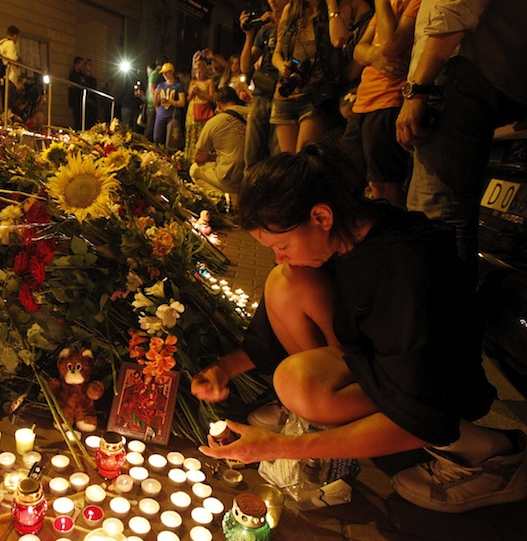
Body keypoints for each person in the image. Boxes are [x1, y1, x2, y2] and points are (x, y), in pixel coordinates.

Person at [191, 142, 527, 513]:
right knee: (285, 281)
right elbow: (273, 331)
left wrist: (278, 447)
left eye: (282, 244)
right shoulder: (346, 235)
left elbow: (423, 400)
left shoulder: (401, 267)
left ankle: (488, 455)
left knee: (297, 383)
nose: (278, 255)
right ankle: (328, 421)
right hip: (378, 363)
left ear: (321, 216)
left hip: (436, 390)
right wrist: (224, 368)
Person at [396, 0, 527, 276]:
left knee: (438, 217)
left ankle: (446, 300)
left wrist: (416, 90)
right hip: (477, 76)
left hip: (458, 74)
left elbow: (451, 12)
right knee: (437, 216)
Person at [338, 0, 420, 207]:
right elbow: (358, 50)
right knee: (344, 179)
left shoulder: (414, 3)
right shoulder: (388, 5)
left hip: (388, 101)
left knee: (384, 188)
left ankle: (392, 228)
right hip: (363, 103)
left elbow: (391, 44)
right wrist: (374, 55)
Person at [270, 0, 349, 153]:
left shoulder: (339, 7)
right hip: (287, 91)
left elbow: (339, 39)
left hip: (315, 95)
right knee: (289, 161)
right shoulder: (291, 10)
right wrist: (282, 66)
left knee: (305, 157)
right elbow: (277, 53)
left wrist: (331, 5)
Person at [239, 1, 288, 170]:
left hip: (284, 94)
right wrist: (249, 35)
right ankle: (251, 185)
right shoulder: (265, 30)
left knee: (278, 156)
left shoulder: (296, 23)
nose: (272, 1)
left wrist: (279, 23)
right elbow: (246, 66)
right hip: (262, 94)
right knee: (252, 155)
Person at [190, 87, 249, 210]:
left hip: (230, 178)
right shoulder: (254, 114)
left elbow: (198, 157)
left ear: (218, 104)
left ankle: (222, 200)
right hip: (254, 175)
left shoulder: (214, 121)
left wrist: (214, 157)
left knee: (194, 170)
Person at [185, 60, 216, 162]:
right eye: (196, 72)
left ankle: (203, 157)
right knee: (192, 132)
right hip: (192, 111)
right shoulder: (193, 82)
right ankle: (190, 158)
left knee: (203, 134)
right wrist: (192, 93)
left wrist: (200, 92)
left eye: (200, 72)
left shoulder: (209, 81)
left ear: (204, 71)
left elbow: (212, 98)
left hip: (204, 110)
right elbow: (188, 99)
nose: (198, 74)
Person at [153, 62, 186, 147]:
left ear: (172, 72)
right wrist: (155, 95)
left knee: (172, 140)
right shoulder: (160, 85)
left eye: (166, 72)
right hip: (161, 114)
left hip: (173, 115)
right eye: (163, 73)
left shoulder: (178, 85)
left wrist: (170, 101)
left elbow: (182, 102)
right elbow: (155, 102)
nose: (164, 74)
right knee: (157, 138)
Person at [144, 56, 168, 142]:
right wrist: (156, 105)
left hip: (158, 104)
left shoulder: (160, 74)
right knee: (150, 129)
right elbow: (152, 90)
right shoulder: (155, 74)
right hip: (153, 106)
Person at [68, 56, 86, 130]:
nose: (82, 66)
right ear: (76, 64)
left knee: (82, 119)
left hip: (82, 99)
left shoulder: (82, 75)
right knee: (76, 118)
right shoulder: (72, 75)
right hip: (75, 100)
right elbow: (72, 88)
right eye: (81, 64)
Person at [82, 59, 99, 129]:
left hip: (92, 102)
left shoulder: (93, 79)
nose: (90, 67)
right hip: (85, 102)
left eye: (91, 65)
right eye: (89, 64)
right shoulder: (82, 77)